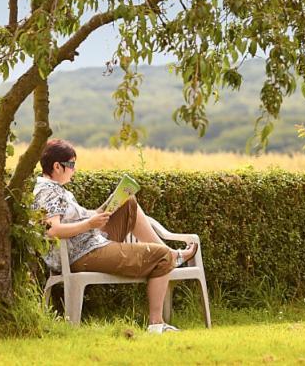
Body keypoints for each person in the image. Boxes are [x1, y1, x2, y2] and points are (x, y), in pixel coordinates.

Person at [33, 139, 197, 333]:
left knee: (127, 202)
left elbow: (77, 218)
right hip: (80, 254)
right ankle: (157, 324)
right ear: (57, 166)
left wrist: (107, 207)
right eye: (71, 165)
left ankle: (172, 255)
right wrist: (89, 224)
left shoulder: (57, 190)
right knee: (161, 256)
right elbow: (53, 230)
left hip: (89, 243)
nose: (74, 170)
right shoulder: (48, 193)